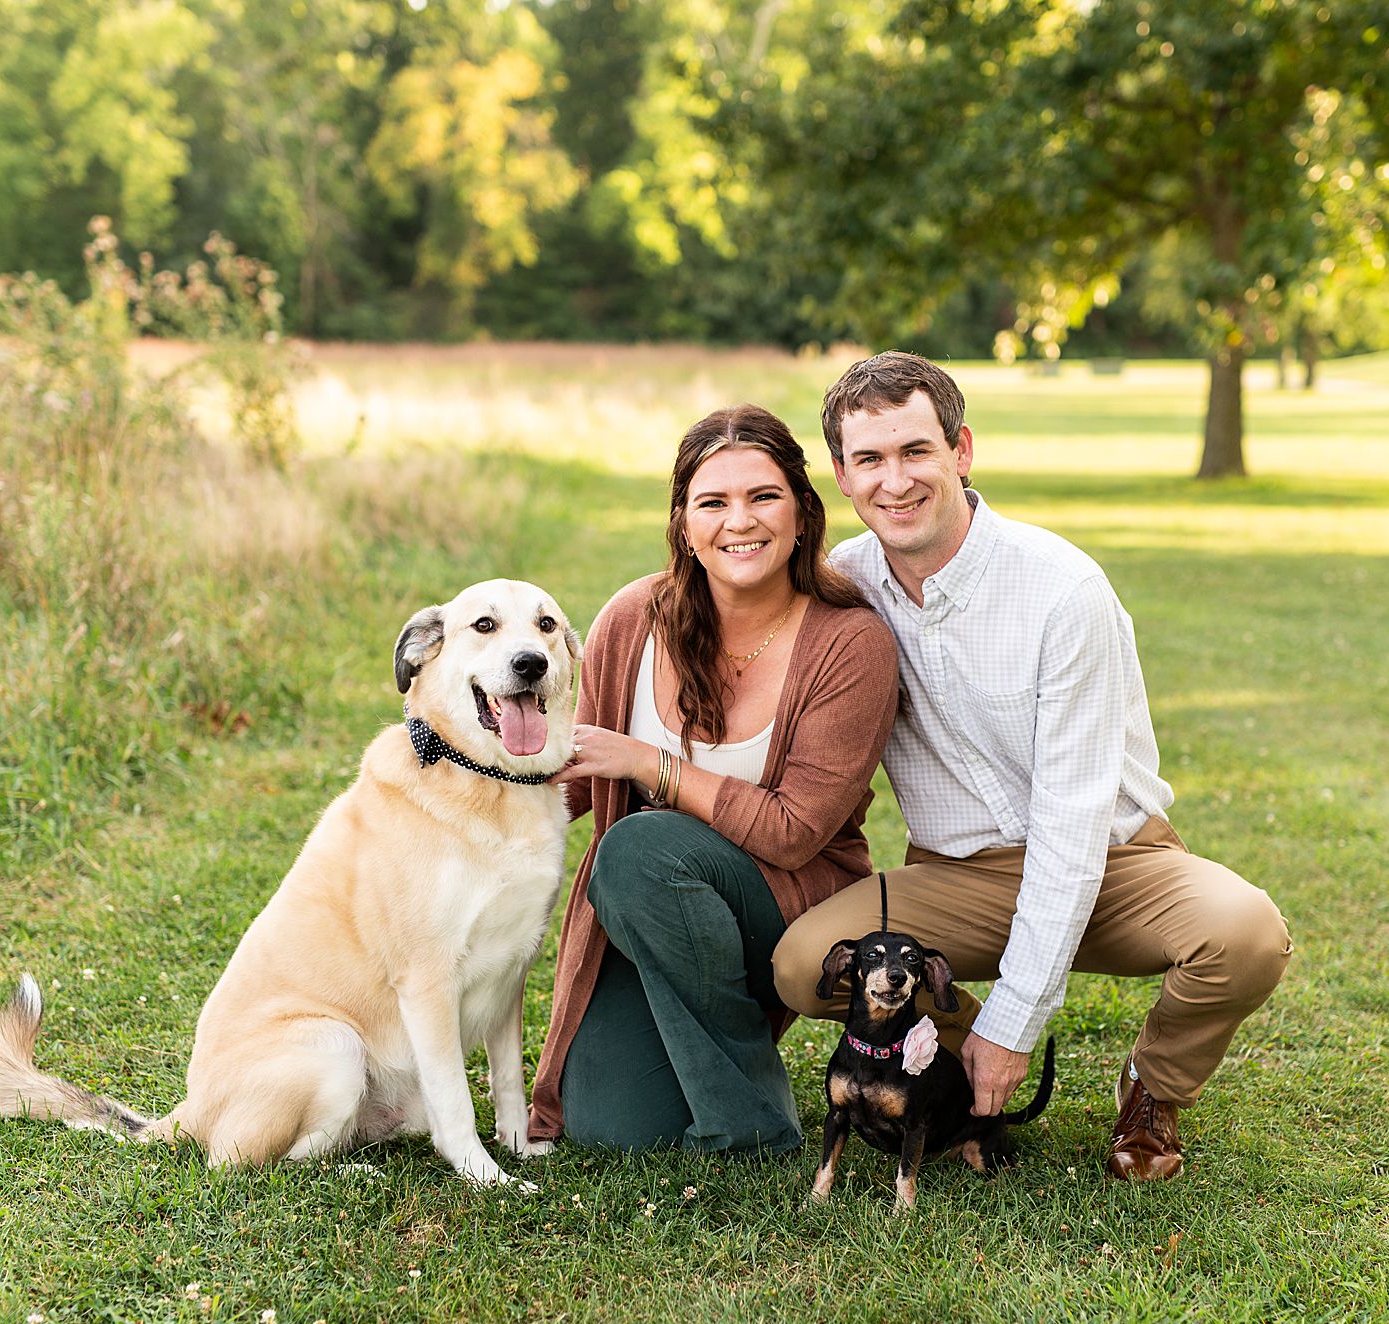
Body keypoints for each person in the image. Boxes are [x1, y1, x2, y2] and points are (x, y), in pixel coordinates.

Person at [771, 352, 1293, 1181]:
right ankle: (945, 1049)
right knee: (805, 964)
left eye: (916, 451)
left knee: (1247, 935)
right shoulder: (845, 588)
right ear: (841, 474)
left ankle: (1152, 1089)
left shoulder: (1062, 590)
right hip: (957, 876)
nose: (894, 481)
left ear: (962, 450)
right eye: (869, 459)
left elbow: (1072, 827)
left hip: (1114, 859)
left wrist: (1015, 1022)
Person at [528, 404, 899, 1154]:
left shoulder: (849, 641)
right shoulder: (633, 619)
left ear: (802, 512)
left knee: (638, 845)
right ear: (683, 524)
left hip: (788, 911)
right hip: (655, 914)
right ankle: (706, 1047)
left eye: (764, 496)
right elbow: (572, 781)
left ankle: (752, 1124)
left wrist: (648, 765)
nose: (740, 521)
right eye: (713, 502)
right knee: (613, 1128)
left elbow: (795, 833)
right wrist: (450, 776)